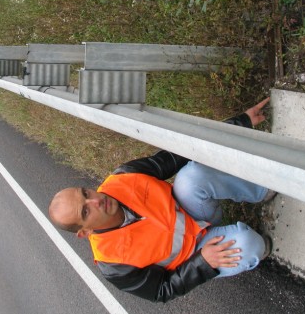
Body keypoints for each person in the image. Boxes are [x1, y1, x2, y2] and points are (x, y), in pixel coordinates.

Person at [48, 98, 274, 303]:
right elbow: (161, 290)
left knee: (191, 177)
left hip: (194, 210)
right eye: (85, 212)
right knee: (250, 244)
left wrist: (241, 122)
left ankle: (262, 190)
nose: (96, 201)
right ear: (84, 232)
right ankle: (255, 248)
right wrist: (202, 263)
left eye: (86, 194)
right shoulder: (113, 264)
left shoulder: (123, 178)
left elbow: (179, 153)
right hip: (197, 252)